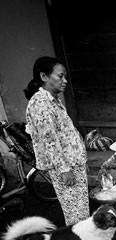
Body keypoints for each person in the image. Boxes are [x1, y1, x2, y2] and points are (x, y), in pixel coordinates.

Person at [24, 56, 89, 226]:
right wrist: (65, 170)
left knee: (80, 209)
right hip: (66, 167)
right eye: (60, 76)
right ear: (44, 76)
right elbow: (49, 141)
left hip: (72, 163)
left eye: (65, 77)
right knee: (76, 212)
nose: (65, 81)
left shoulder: (52, 100)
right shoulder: (40, 103)